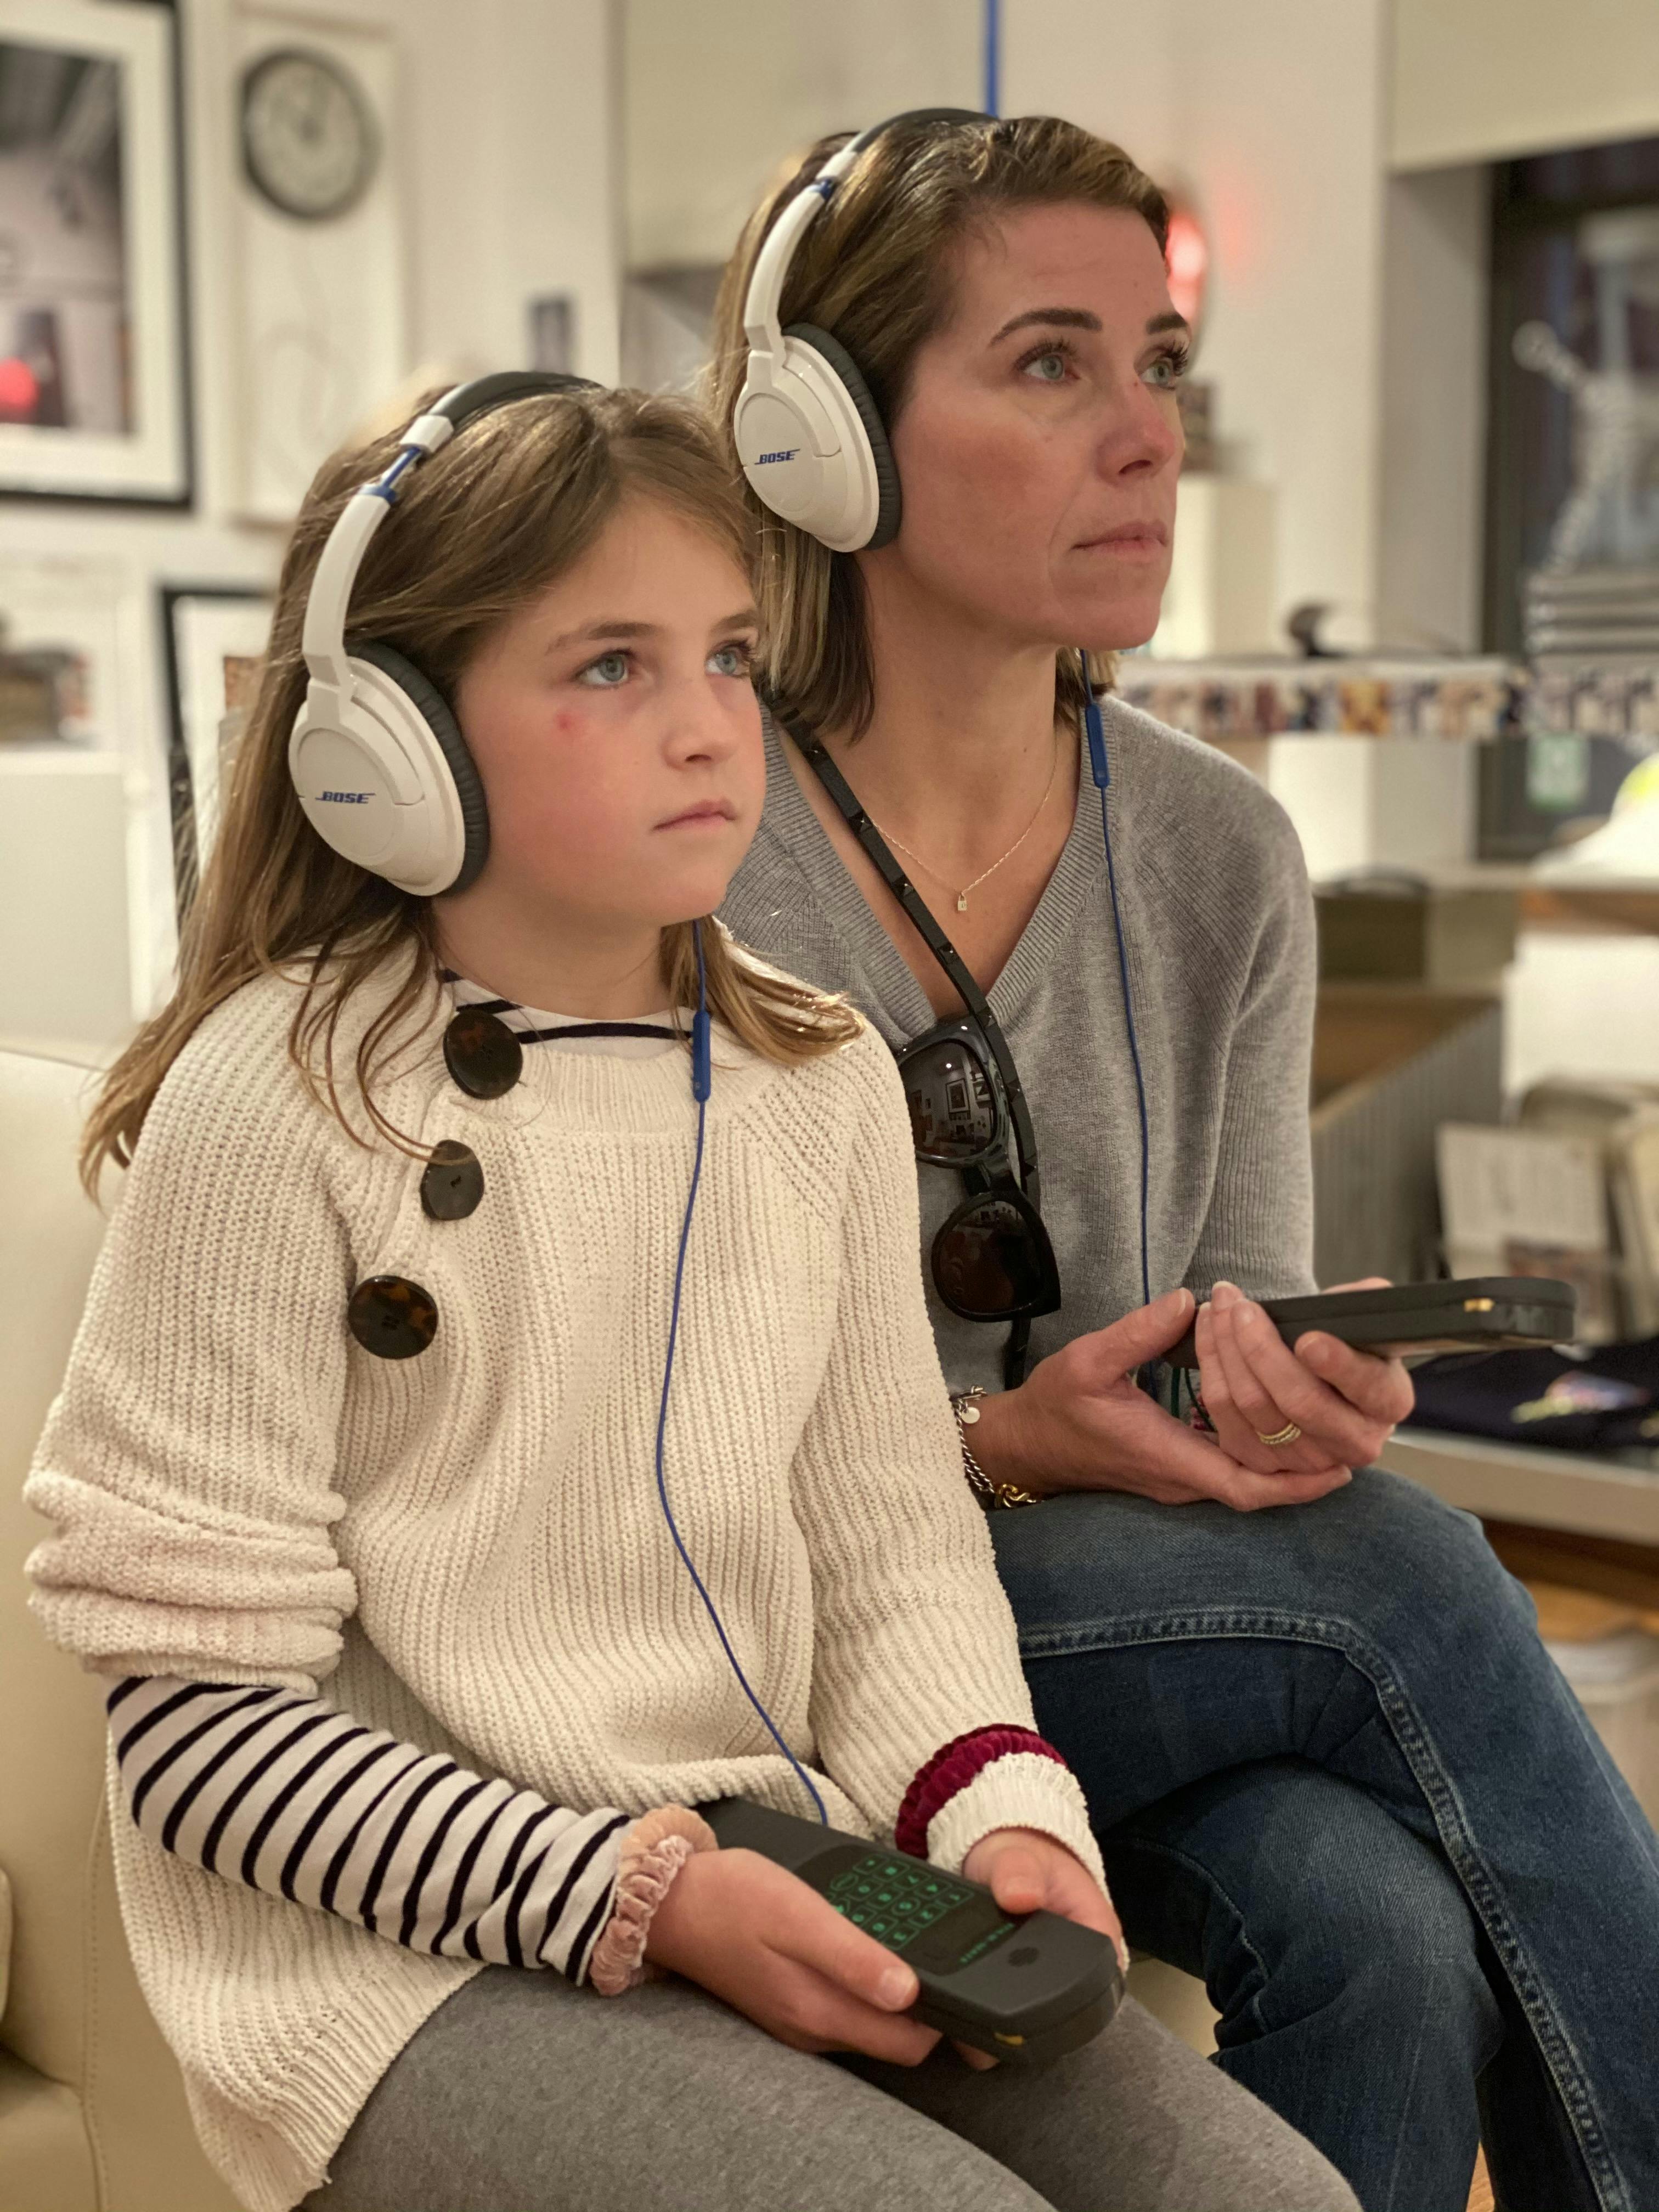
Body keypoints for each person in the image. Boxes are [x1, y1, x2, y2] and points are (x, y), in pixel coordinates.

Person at [22, 379, 1356, 2212]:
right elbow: (197, 1738)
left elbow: (891, 1553)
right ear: (388, 743)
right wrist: (641, 1896)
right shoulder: (279, 1098)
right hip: (394, 1967)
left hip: (771, 1859)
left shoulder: (819, 1080)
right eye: (609, 667)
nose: (710, 725)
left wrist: (1002, 1809)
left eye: (729, 656)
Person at [710, 112, 1659, 2212]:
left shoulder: (1221, 849)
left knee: (1381, 1935)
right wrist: (1000, 1444)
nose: (1147, 435)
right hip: (787, 1632)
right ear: (822, 439)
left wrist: (1285, 1400)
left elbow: (1233, 1320)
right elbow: (638, 1449)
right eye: (1051, 363)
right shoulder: (687, 837)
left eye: (1157, 362)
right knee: (1412, 1576)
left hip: (1114, 1634)